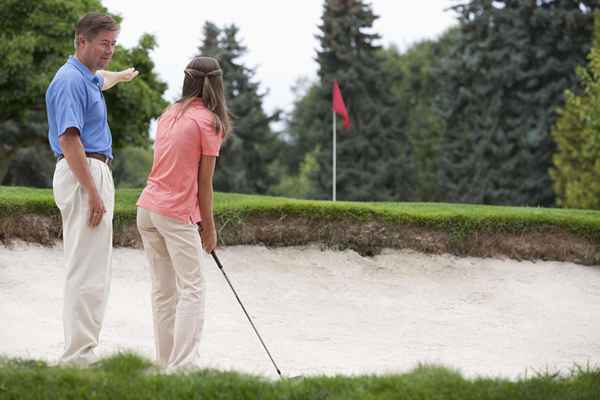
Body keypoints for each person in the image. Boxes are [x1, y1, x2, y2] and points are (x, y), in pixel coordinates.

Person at [46, 12, 138, 366]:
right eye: (104, 44)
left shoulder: (86, 78)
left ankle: (81, 350)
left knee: (91, 268)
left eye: (113, 44)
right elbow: (69, 139)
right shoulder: (69, 81)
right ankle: (78, 356)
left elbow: (104, 79)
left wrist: (123, 76)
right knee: (86, 270)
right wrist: (93, 192)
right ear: (81, 41)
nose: (110, 51)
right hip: (84, 171)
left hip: (91, 171)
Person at [136, 56, 231, 372]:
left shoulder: (168, 114)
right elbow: (204, 183)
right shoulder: (209, 123)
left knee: (164, 293)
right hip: (175, 214)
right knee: (192, 289)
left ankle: (166, 364)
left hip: (147, 209)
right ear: (217, 83)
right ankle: (183, 366)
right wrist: (210, 227)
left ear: (187, 80)